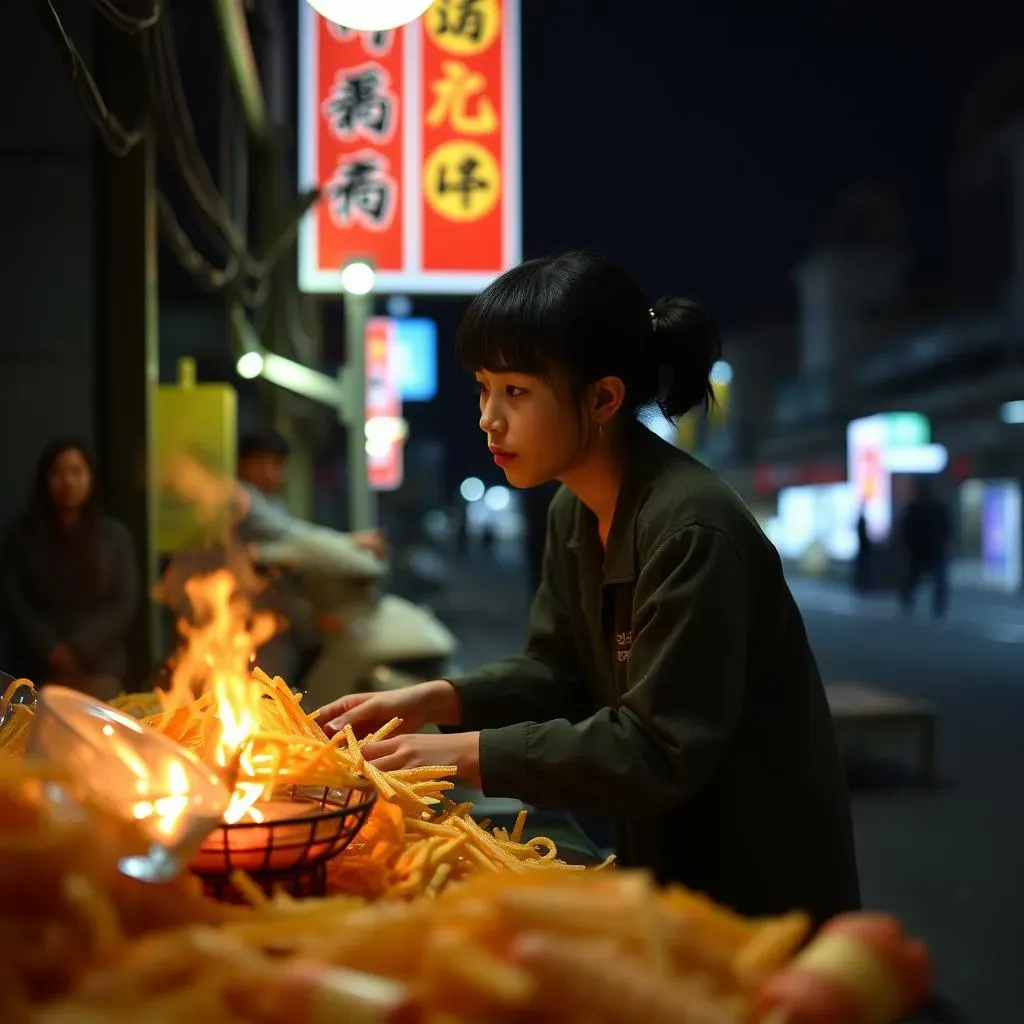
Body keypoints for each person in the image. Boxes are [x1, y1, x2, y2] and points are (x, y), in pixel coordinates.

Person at [317, 251, 860, 926]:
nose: (488, 418)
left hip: (758, 885)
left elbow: (659, 749)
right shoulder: (575, 508)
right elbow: (560, 669)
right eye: (483, 388)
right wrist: (436, 699)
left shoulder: (691, 528)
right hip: (663, 860)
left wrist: (461, 754)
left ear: (603, 398)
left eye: (516, 391)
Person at [1, 438, 139, 700]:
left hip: (98, 665)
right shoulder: (21, 536)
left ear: (91, 477)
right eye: (58, 472)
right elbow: (12, 600)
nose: (68, 481)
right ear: (45, 479)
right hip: (35, 664)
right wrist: (50, 649)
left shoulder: (115, 536)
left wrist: (79, 648)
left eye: (76, 472)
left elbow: (124, 602)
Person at [898, 479, 952, 619]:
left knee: (922, 578)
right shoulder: (921, 508)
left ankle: (934, 607)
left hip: (928, 549)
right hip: (924, 549)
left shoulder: (922, 508)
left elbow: (905, 529)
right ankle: (933, 607)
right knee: (918, 578)